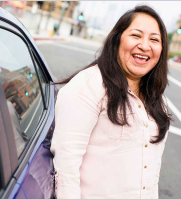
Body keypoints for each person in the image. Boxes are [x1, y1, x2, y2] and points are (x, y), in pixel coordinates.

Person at [50, 5, 172, 199]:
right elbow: (66, 165)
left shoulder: (158, 100)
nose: (145, 45)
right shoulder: (89, 85)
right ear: (117, 39)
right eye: (136, 35)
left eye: (154, 39)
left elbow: (152, 173)